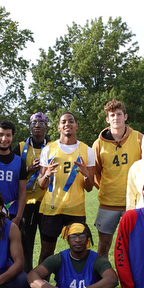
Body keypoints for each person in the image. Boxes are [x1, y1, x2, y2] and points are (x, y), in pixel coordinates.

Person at [37, 112, 95, 263]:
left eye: (71, 121)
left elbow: (89, 188)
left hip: (75, 209)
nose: (67, 124)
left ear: (76, 126)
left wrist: (86, 174)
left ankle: (77, 284)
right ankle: (42, 285)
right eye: (63, 122)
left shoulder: (87, 150)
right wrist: (47, 174)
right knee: (46, 252)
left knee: (79, 251)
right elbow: (41, 184)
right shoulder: (48, 149)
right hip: (51, 209)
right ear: (58, 127)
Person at [92, 99, 142, 259]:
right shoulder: (98, 144)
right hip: (108, 203)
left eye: (119, 114)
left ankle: (133, 281)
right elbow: (95, 173)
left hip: (133, 203)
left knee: (134, 245)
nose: (116, 118)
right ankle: (103, 280)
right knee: (104, 245)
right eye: (112, 115)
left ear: (125, 116)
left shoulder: (138, 138)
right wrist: (107, 188)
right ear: (107, 119)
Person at [12, 112, 49, 272]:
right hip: (26, 202)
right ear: (29, 126)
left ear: (47, 127)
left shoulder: (53, 146)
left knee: (47, 243)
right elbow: (12, 172)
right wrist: (28, 169)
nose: (37, 126)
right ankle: (26, 276)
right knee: (25, 242)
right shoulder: (20, 147)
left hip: (47, 202)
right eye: (34, 123)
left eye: (41, 123)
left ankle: (42, 275)